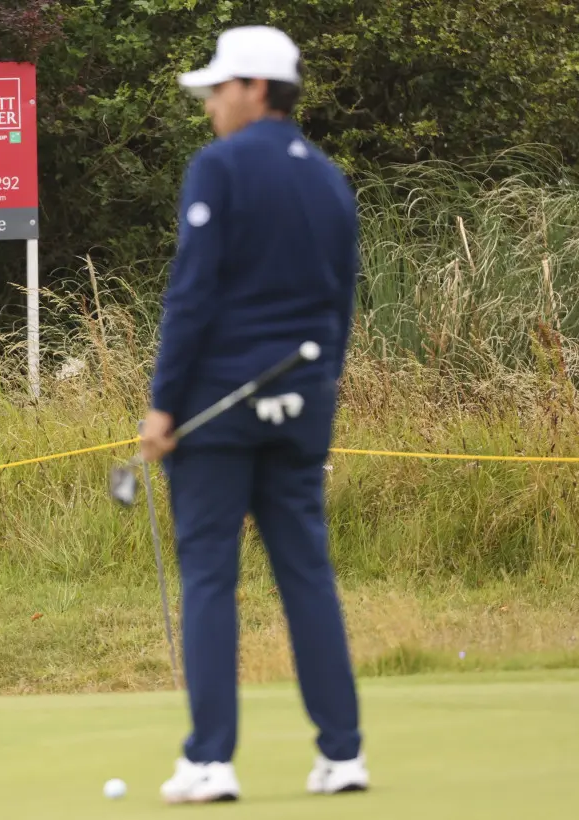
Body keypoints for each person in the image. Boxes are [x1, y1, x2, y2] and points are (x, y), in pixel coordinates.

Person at [139, 25, 368, 804]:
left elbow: (192, 293)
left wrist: (162, 405)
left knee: (208, 574)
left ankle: (210, 760)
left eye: (220, 87)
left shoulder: (220, 168)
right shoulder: (331, 179)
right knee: (306, 571)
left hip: (218, 409)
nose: (210, 102)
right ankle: (343, 756)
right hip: (304, 405)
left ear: (257, 90)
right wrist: (324, 397)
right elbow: (340, 306)